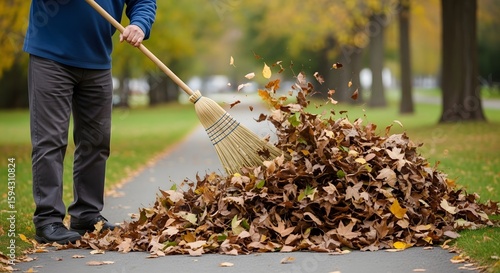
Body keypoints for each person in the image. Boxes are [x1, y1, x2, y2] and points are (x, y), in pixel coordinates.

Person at [23, 0, 157, 244]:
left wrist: (139, 24)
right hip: (50, 56)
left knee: (96, 142)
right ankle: (48, 220)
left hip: (97, 60)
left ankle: (86, 216)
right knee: (50, 140)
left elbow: (144, 1)